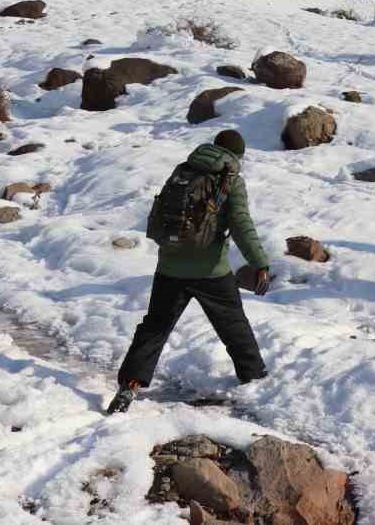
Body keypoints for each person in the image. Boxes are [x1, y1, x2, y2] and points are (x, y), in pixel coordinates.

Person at [109, 129, 269, 414]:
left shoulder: (184, 169)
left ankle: (129, 385)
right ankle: (255, 377)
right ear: (237, 155)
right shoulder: (230, 181)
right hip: (211, 271)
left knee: (155, 327)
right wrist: (260, 263)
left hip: (170, 266)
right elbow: (242, 225)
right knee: (233, 325)